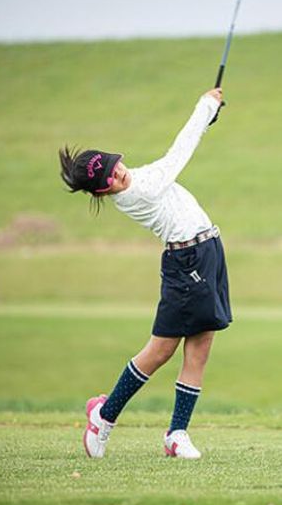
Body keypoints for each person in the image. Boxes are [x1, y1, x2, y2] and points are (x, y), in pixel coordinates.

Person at [58, 88, 231, 460]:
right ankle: (103, 418)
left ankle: (177, 434)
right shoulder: (141, 190)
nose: (116, 174)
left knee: (201, 345)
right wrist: (205, 107)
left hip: (208, 252)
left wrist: (206, 120)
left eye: (113, 165)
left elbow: (169, 158)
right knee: (161, 350)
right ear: (102, 191)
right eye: (108, 177)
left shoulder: (138, 176)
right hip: (186, 263)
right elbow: (178, 153)